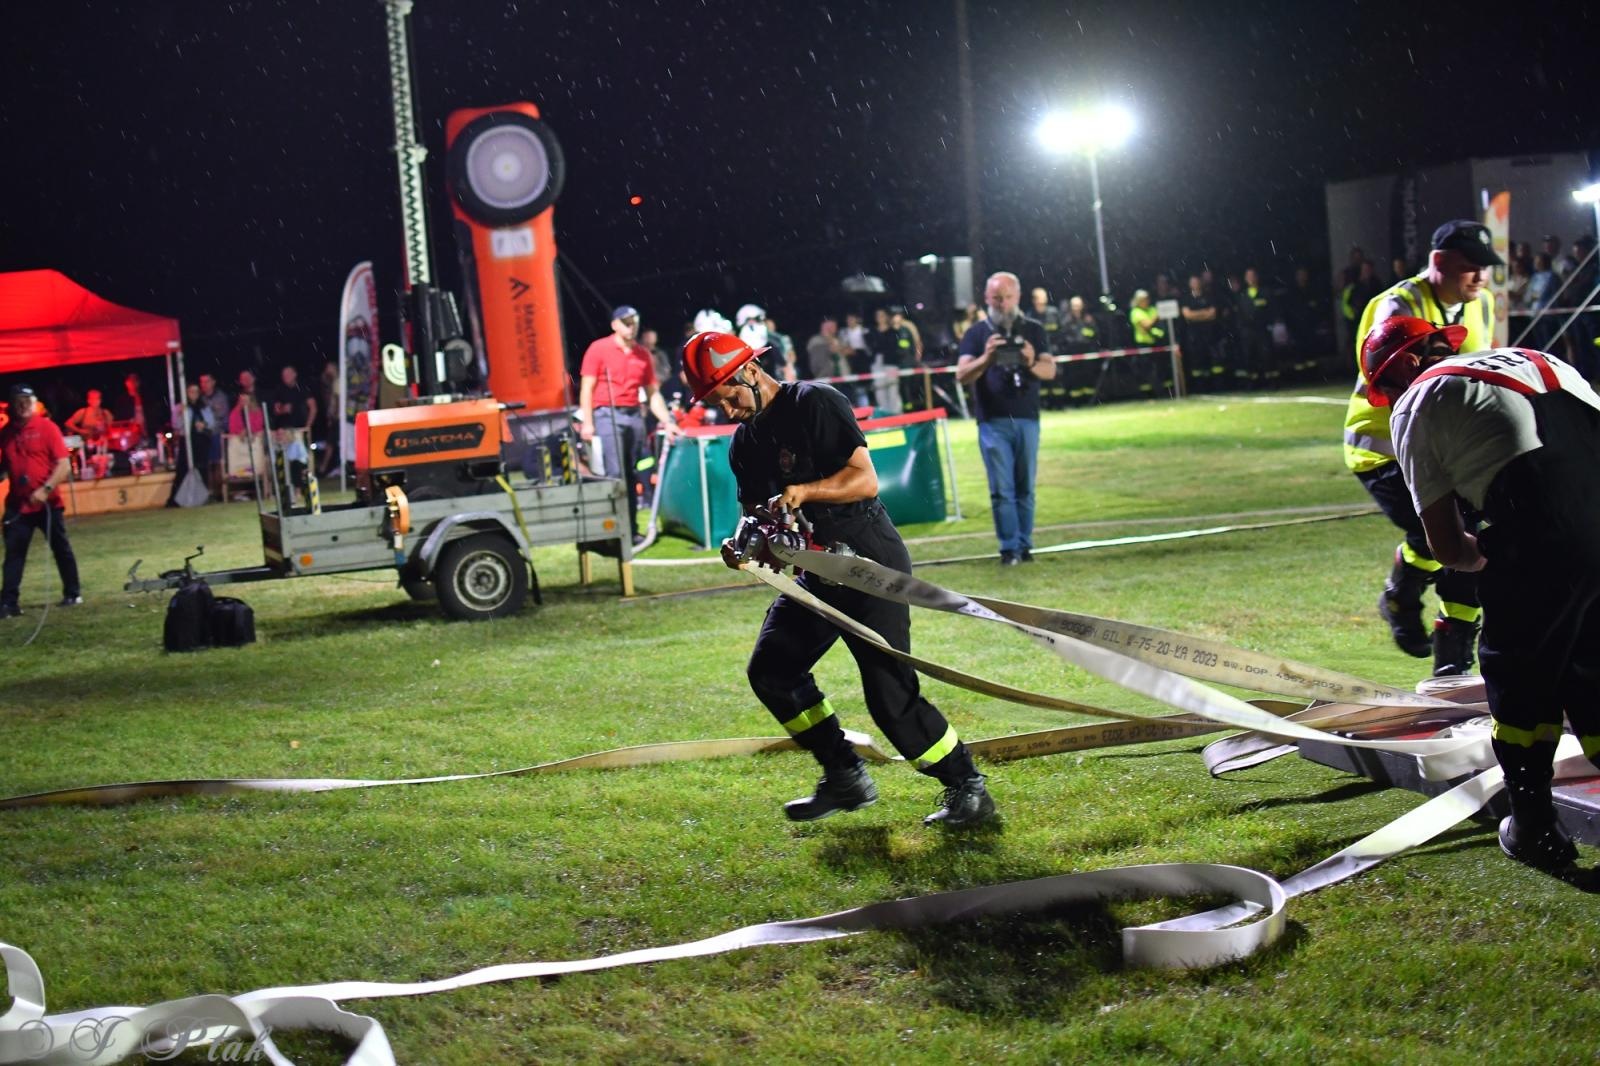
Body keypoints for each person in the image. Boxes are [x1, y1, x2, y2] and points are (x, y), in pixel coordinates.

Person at [680, 329, 997, 828]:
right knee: (772, 671)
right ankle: (843, 774)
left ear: (750, 371)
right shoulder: (744, 444)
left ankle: (968, 788)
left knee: (889, 698)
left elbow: (864, 479)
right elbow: (760, 516)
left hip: (869, 562)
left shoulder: (816, 404)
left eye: (730, 396)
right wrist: (749, 546)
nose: (728, 411)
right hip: (815, 572)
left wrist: (805, 492)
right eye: (717, 403)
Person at [1366, 317, 1600, 872]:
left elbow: (1446, 543)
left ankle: (1535, 829)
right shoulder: (1531, 357)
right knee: (1593, 669)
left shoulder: (1415, 402)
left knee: (1521, 680)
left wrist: (1494, 559)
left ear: (1401, 371)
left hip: (1544, 523)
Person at [1343, 219, 1501, 676]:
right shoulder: (1398, 305)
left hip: (1445, 445)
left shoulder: (1482, 304)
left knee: (1441, 536)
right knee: (1457, 532)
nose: (1480, 277)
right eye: (1470, 268)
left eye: (1485, 268)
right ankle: (1451, 660)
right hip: (1386, 447)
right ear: (1439, 262)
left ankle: (1405, 599)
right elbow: (1398, 385)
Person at [955, 271, 1057, 565]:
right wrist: (987, 357)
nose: (1001, 303)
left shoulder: (1034, 330)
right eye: (996, 298)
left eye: (1007, 297)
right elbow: (961, 375)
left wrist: (1029, 360)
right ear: (986, 298)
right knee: (1002, 490)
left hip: (1027, 418)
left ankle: (1025, 546)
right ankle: (1008, 548)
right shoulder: (976, 334)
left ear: (1017, 297)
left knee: (1025, 487)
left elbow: (1050, 372)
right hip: (992, 421)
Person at [578, 305, 681, 541]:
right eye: (625, 322)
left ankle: (631, 530)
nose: (630, 326)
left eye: (633, 321)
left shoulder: (643, 354)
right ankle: (615, 530)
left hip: (634, 415)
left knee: (632, 473)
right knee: (616, 474)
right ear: (615, 324)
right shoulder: (599, 349)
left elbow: (653, 393)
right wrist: (588, 423)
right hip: (607, 414)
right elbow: (587, 388)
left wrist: (668, 420)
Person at [0, 385, 82, 617]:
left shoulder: (47, 428)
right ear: (11, 406)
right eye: (19, 401)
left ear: (34, 403)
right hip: (19, 504)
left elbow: (63, 464)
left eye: (27, 400)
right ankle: (8, 603)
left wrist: (45, 489)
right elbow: (6, 464)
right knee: (14, 553)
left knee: (60, 548)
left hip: (48, 503)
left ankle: (73, 592)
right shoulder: (6, 434)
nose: (24, 405)